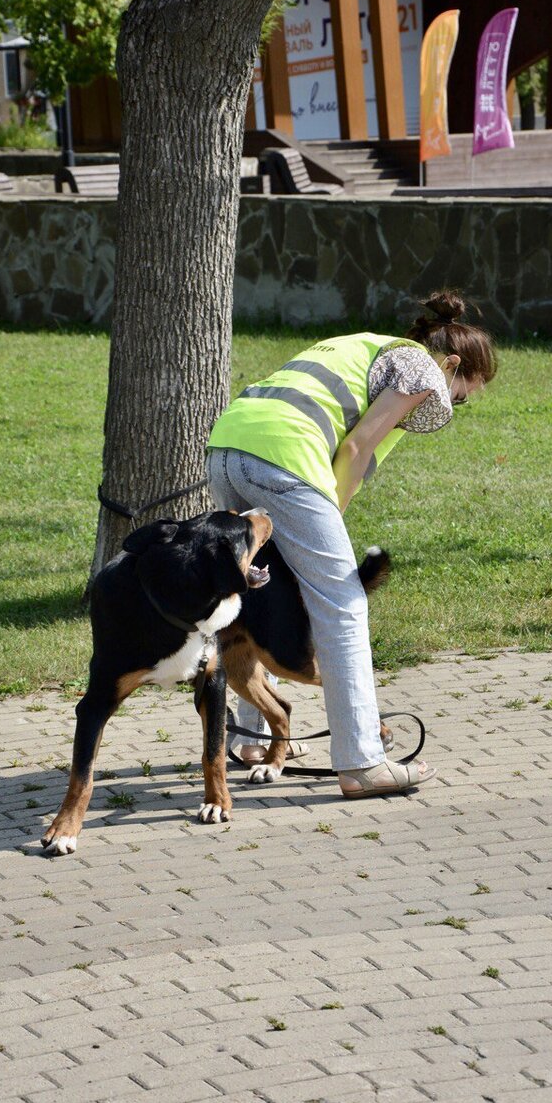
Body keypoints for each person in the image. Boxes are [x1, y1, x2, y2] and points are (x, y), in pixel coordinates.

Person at [205, 290, 497, 799]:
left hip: (228, 448)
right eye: (462, 395)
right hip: (285, 460)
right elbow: (356, 449)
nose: (451, 405)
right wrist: (324, 522)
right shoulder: (422, 372)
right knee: (342, 605)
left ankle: (253, 737)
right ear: (450, 365)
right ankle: (363, 763)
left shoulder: (370, 345)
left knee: (255, 588)